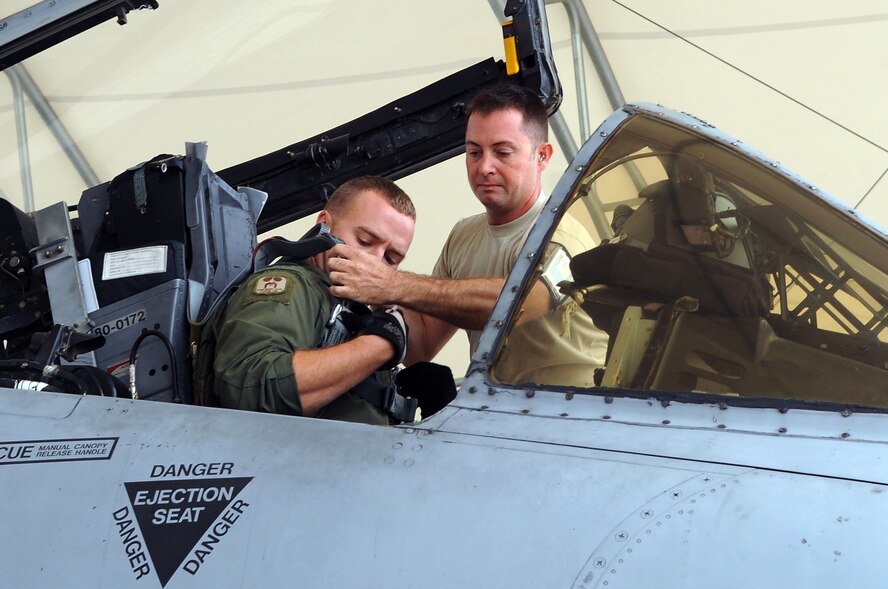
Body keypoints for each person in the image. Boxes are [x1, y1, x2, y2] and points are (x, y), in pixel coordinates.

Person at [326, 84, 608, 386]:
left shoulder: (563, 234)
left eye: (502, 152)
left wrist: (390, 284)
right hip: (496, 414)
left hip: (569, 416)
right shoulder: (463, 235)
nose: (484, 166)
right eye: (474, 152)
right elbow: (420, 348)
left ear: (542, 156)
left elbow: (516, 305)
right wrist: (370, 275)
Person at [203, 176, 416, 424]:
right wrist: (379, 346)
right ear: (324, 225)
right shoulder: (291, 286)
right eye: (365, 242)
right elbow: (250, 390)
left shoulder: (350, 308)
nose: (375, 262)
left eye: (391, 258)